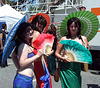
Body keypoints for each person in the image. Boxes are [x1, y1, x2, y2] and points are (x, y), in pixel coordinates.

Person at [55, 17, 90, 88]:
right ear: (68, 27)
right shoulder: (64, 39)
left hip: (77, 67)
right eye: (72, 26)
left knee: (77, 85)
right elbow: (56, 53)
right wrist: (62, 58)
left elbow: (85, 53)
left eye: (76, 26)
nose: (74, 28)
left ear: (79, 27)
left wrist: (87, 50)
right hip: (66, 66)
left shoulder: (83, 39)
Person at [12, 22, 43, 88]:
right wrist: (37, 56)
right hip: (23, 81)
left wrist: (19, 67)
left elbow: (13, 56)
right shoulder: (24, 45)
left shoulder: (26, 44)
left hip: (25, 80)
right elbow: (22, 63)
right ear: (22, 33)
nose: (31, 31)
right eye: (27, 30)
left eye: (31, 29)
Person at [29, 14, 53, 88]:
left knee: (40, 82)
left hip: (36, 61)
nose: (41, 25)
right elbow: (36, 50)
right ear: (35, 22)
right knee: (45, 82)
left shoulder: (31, 32)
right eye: (39, 23)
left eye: (43, 24)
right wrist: (48, 53)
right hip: (40, 61)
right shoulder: (37, 33)